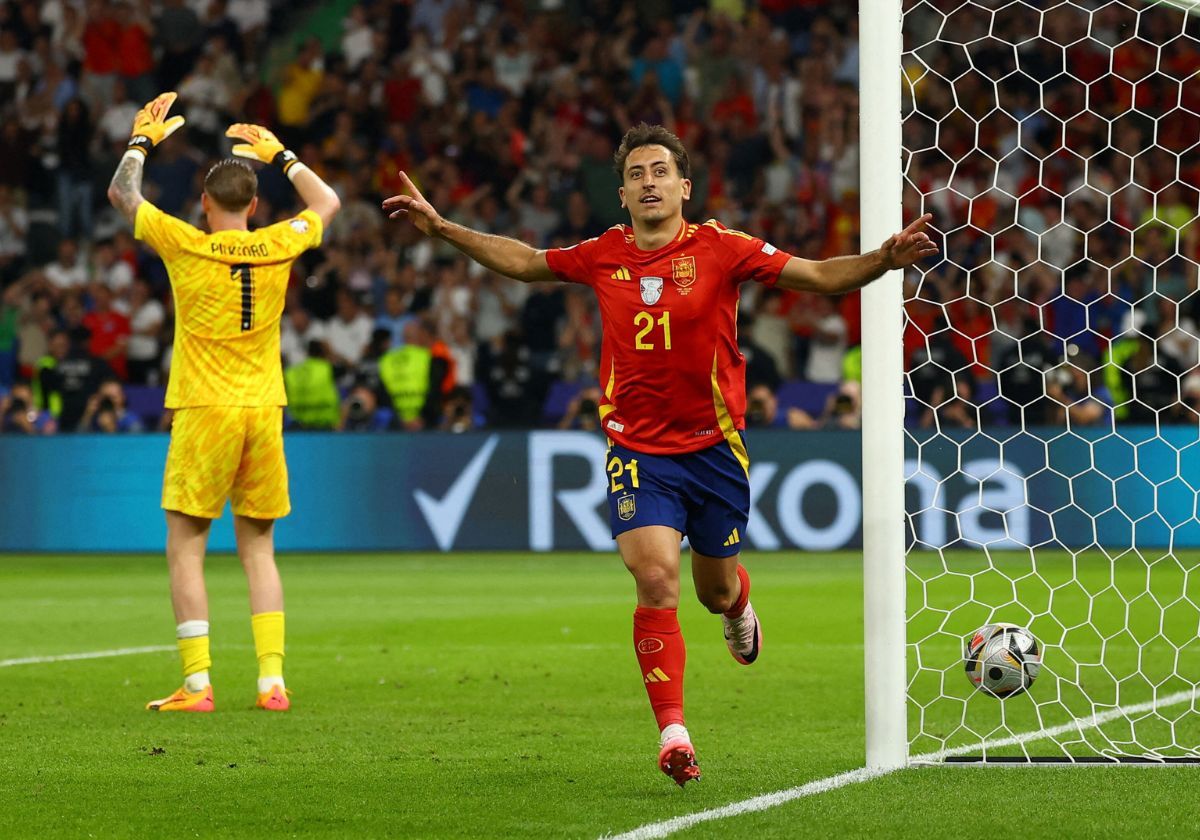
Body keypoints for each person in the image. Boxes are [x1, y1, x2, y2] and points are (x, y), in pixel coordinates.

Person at [383, 122, 937, 785]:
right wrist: (444, 229)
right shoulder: (603, 252)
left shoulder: (721, 248)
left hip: (715, 449)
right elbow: (528, 261)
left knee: (714, 589)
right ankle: (673, 733)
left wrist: (882, 258)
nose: (649, 182)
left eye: (660, 172)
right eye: (637, 174)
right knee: (654, 579)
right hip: (638, 450)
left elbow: (816, 275)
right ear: (622, 194)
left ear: (684, 186)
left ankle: (737, 606)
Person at [107, 93, 339, 713]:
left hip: (205, 407)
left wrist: (139, 143)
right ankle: (271, 682)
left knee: (186, 544)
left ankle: (197, 683)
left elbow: (123, 197)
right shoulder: (279, 244)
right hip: (263, 409)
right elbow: (328, 203)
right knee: (258, 547)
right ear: (255, 205)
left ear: (206, 204)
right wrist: (282, 154)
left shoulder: (186, 242)